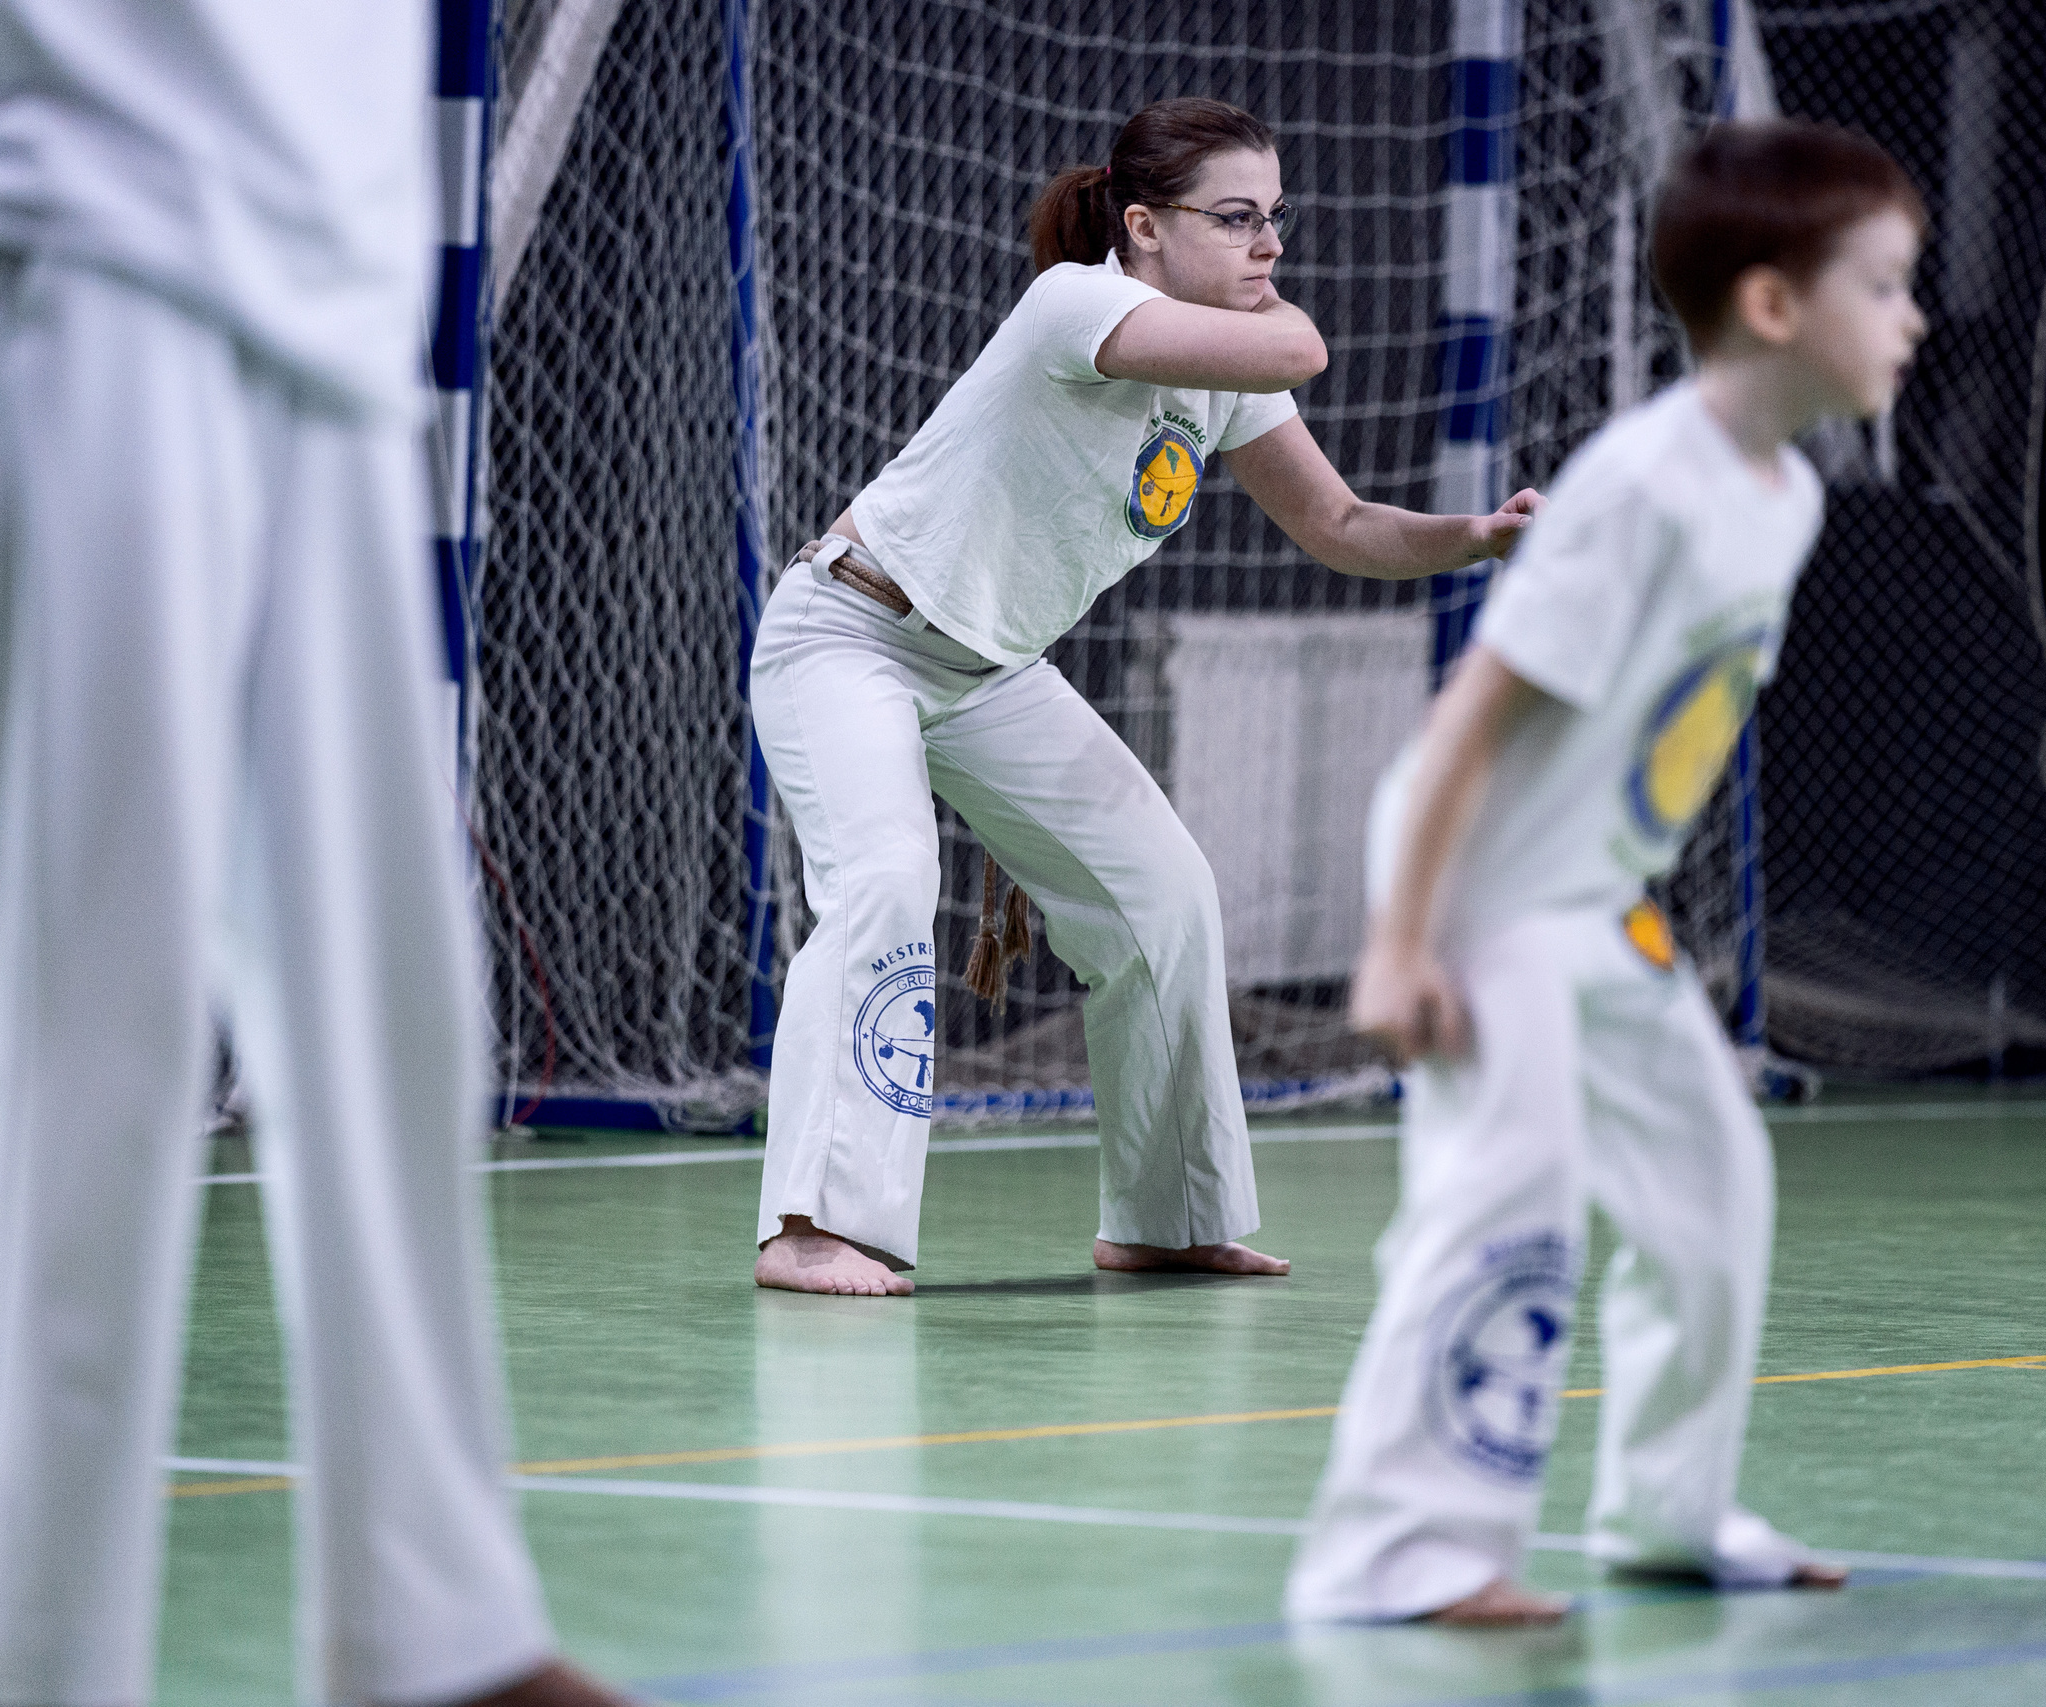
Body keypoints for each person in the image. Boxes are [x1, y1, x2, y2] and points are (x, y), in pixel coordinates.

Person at [0, 3, 626, 1702]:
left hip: (326, 296)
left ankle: (433, 1635)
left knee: (388, 1007)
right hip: (88, 233)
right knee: (102, 1024)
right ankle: (25, 1660)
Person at [1283, 120, 1927, 1626]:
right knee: (1507, 1197)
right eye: (1887, 284)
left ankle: (1668, 1509)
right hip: (1477, 892)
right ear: (1775, 305)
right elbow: (1462, 731)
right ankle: (1400, 1553)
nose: (1913, 318)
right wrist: (1398, 943)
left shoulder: (1786, 496)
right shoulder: (1639, 485)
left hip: (1592, 904)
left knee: (1714, 1184)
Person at [752, 96, 1540, 1297]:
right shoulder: (1079, 303)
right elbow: (1300, 349)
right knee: (888, 881)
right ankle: (815, 1223)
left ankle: (1167, 1218)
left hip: (988, 671)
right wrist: (1278, 319)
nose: (1268, 244)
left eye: (1278, 218)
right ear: (1141, 227)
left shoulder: (1222, 370)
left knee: (1162, 899)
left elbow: (1337, 523)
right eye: (1235, 219)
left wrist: (1473, 537)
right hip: (852, 635)